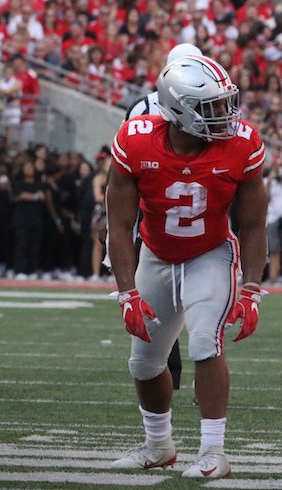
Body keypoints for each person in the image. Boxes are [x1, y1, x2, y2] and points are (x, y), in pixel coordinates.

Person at [107, 54, 267, 478]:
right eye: (212, 106)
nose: (225, 116)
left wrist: (251, 288)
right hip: (156, 254)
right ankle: (159, 446)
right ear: (178, 109)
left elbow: (252, 224)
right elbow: (119, 225)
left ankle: (214, 452)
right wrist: (127, 292)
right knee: (143, 363)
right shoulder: (136, 141)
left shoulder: (241, 144)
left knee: (204, 344)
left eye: (225, 103)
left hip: (210, 253)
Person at [121, 43, 202, 391]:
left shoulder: (209, 99)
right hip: (154, 213)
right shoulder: (142, 108)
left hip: (197, 211)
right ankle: (161, 368)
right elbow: (123, 164)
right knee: (158, 298)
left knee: (201, 301)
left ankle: (200, 371)